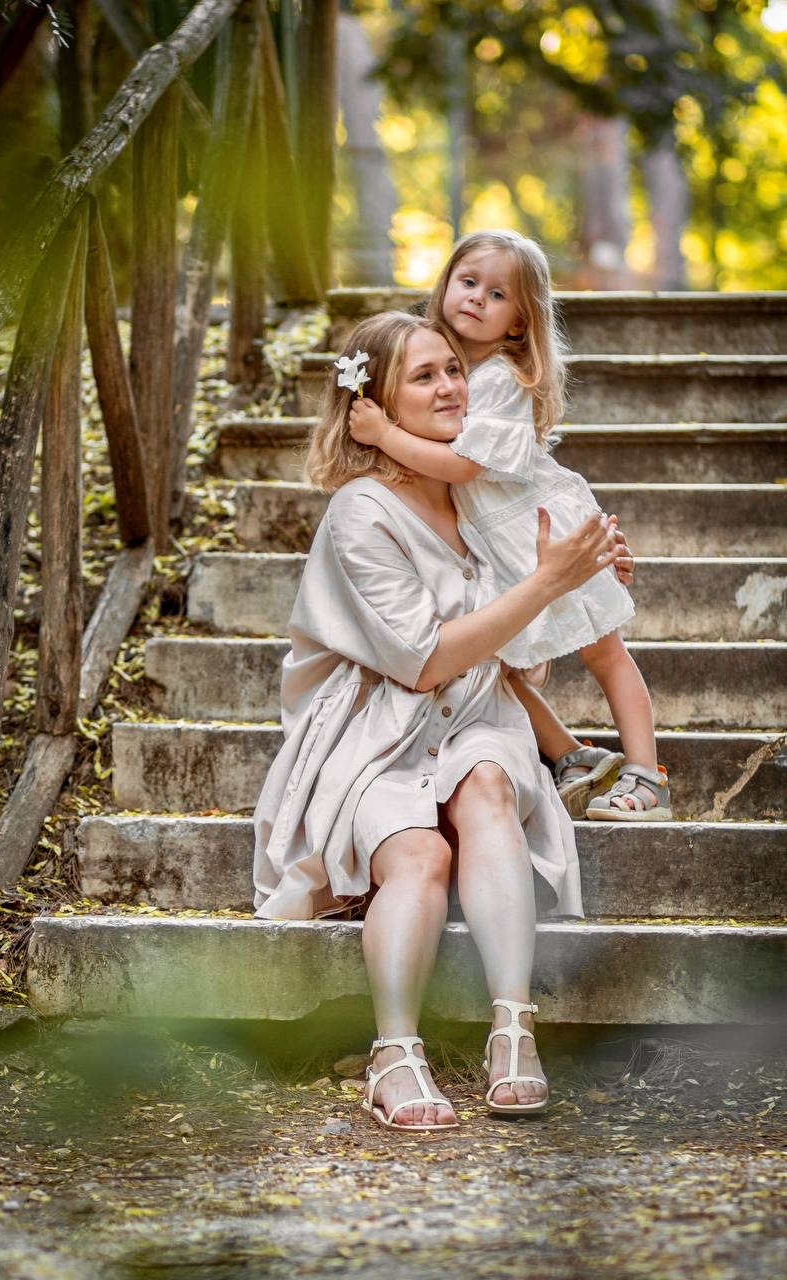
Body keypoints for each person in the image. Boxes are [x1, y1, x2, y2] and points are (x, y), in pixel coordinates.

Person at [253, 312, 623, 1132]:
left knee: (488, 784)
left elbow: (527, 632)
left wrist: (586, 575)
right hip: (374, 730)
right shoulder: (361, 513)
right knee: (416, 854)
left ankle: (512, 1029)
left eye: (452, 368)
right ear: (371, 402)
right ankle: (394, 1053)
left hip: (478, 716)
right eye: (423, 377)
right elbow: (421, 661)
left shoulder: (478, 492)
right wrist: (546, 584)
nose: (451, 386)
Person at [350, 229, 671, 822]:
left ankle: (647, 775)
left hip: (541, 533)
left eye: (496, 294)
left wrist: (383, 434)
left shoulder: (500, 378)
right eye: (467, 282)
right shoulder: (449, 366)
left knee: (605, 654)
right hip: (492, 544)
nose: (475, 298)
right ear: (445, 283)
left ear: (519, 324)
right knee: (488, 659)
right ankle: (569, 753)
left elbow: (462, 463)